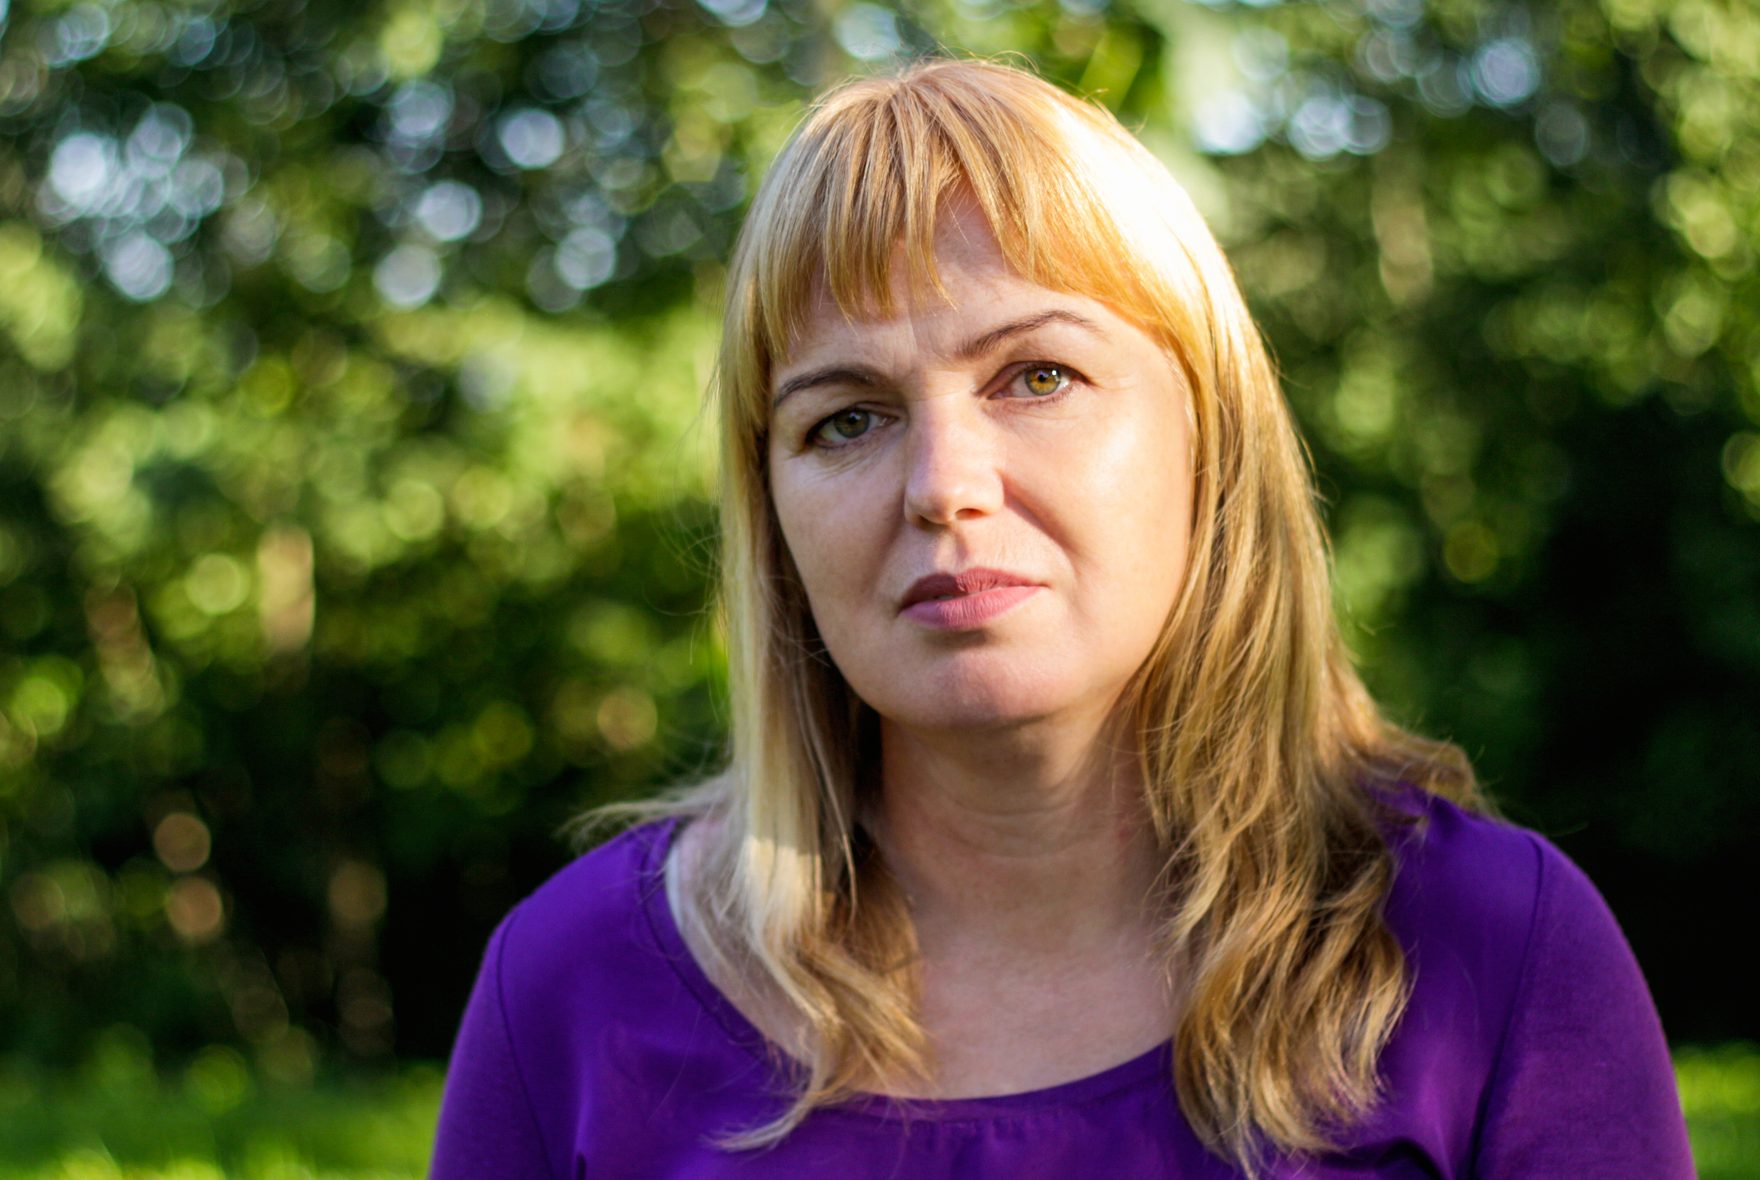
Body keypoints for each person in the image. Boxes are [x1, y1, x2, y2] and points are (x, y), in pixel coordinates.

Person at [428, 58, 1694, 1178]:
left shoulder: (1490, 953)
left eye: (1037, 376)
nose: (942, 487)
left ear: (1211, 438)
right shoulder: (570, 991)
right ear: (771, 515)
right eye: (846, 419)